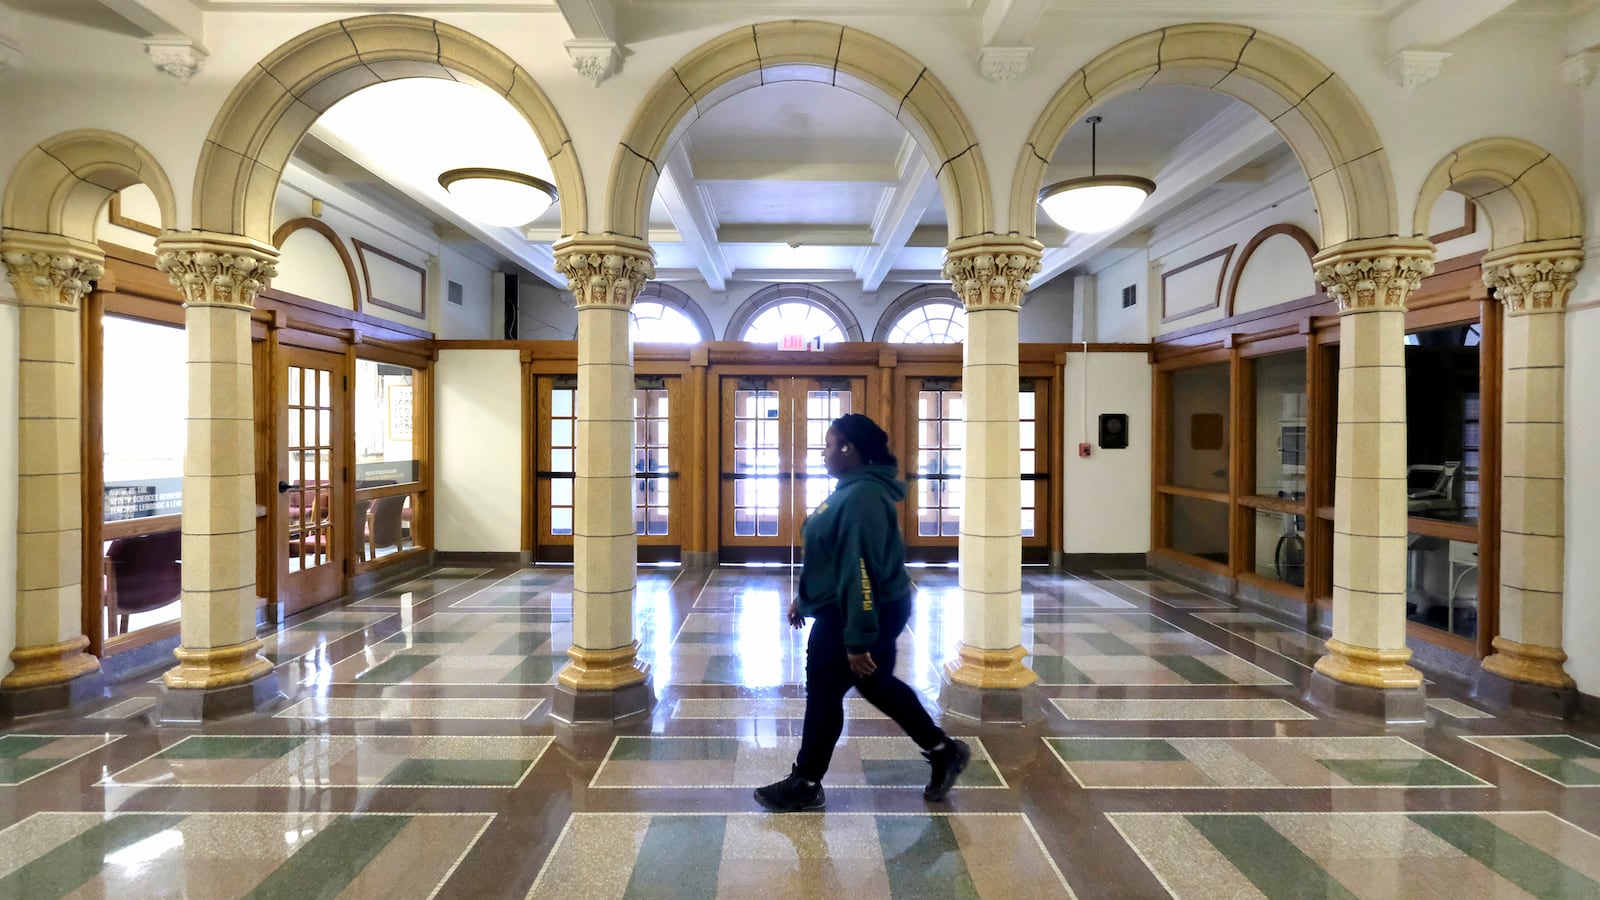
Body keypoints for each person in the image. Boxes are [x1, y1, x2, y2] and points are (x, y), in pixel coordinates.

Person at [754, 413, 970, 812]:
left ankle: (805, 782)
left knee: (826, 689)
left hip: (860, 608)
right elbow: (834, 554)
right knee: (874, 684)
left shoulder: (861, 497)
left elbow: (859, 569)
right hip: (853, 604)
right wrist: (807, 598)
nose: (823, 453)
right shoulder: (853, 488)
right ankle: (943, 750)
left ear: (848, 449)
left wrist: (857, 639)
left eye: (829, 444)